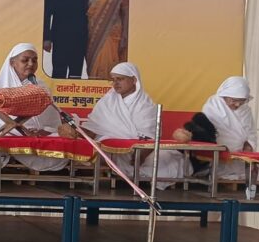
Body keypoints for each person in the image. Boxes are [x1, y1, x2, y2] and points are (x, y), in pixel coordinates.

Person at [58, 63, 187, 188]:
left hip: (138, 152)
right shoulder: (107, 101)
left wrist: (141, 156)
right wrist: (74, 129)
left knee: (166, 158)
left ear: (134, 80)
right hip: (110, 151)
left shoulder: (146, 106)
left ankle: (136, 177)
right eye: (113, 80)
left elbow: (150, 137)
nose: (115, 83)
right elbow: (94, 129)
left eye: (120, 79)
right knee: (88, 148)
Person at [0, 43, 68, 172]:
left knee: (61, 140)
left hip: (36, 137)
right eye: (25, 60)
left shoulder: (41, 86)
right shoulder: (0, 88)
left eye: (34, 60)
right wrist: (21, 130)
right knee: (2, 143)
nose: (30, 64)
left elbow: (51, 122)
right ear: (12, 63)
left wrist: (44, 130)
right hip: (8, 134)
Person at [173, 77, 259, 181]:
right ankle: (218, 174)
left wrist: (249, 145)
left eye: (241, 101)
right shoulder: (213, 107)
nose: (237, 104)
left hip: (240, 159)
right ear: (224, 95)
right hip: (218, 160)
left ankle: (235, 176)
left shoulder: (246, 111)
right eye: (234, 100)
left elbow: (251, 134)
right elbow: (206, 137)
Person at [43, 0, 89, 79]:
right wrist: (46, 38)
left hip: (80, 37)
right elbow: (46, 13)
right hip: (60, 36)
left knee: (76, 73)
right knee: (59, 72)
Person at [85, 0, 130, 80]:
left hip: (112, 35)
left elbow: (126, 14)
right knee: (93, 67)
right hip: (92, 37)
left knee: (111, 66)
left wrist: (125, 36)